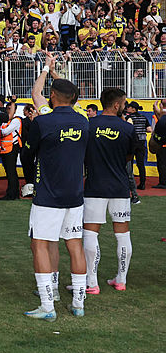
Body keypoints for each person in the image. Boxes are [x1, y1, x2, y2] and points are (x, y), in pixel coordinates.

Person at [25, 56, 89, 321]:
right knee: (74, 245)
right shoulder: (84, 120)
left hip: (48, 195)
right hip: (75, 194)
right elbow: (45, 94)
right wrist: (56, 71)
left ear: (52, 96)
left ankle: (47, 304)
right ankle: (78, 303)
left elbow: (35, 93)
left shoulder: (43, 121)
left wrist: (45, 67)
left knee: (40, 243)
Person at [83, 87, 137, 294]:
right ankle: (121, 280)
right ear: (116, 105)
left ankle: (92, 282)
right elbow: (130, 156)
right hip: (119, 186)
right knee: (122, 234)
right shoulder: (127, 128)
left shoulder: (90, 125)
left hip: (95, 185)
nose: (124, 106)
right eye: (123, 103)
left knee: (90, 232)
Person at [124, 102, 151, 190]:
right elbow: (149, 129)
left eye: (129, 107)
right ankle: (142, 183)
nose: (127, 108)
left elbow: (127, 128)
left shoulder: (129, 117)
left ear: (133, 109)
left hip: (132, 143)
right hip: (141, 143)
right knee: (140, 164)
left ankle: (130, 183)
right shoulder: (144, 117)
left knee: (129, 163)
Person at [0, 101, 22, 201]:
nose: (8, 111)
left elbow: (4, 132)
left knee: (11, 171)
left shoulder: (16, 121)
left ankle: (12, 194)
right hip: (5, 149)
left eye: (10, 109)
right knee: (9, 172)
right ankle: (13, 193)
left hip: (12, 148)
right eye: (7, 109)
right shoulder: (6, 121)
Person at [19, 104, 37, 197]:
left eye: (24, 110)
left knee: (28, 166)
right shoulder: (36, 121)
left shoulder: (25, 121)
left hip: (27, 148)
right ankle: (30, 184)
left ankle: (30, 184)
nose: (23, 112)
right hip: (32, 148)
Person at [151, 100, 166, 189]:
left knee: (161, 163)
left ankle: (163, 182)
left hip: (160, 143)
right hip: (160, 143)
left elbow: (154, 129)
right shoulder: (157, 115)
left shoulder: (157, 116)